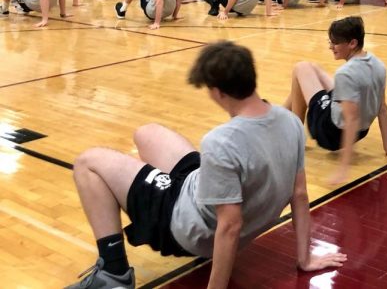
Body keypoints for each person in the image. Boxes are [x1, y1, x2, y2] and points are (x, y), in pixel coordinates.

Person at [65, 41, 346, 289]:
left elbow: (230, 226)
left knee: (88, 163)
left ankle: (114, 274)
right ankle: (148, 189)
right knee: (146, 133)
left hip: (186, 227)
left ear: (217, 92)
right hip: (197, 190)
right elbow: (299, 195)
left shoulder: (220, 142)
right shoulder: (291, 123)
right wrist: (304, 258)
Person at [288, 16, 387, 185]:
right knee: (313, 68)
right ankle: (278, 115)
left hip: (329, 132)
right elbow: (382, 108)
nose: (330, 47)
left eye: (335, 43)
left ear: (352, 43)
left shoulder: (345, 74)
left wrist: (343, 169)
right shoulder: (379, 65)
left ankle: (295, 141)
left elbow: (351, 120)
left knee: (301, 68)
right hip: (361, 131)